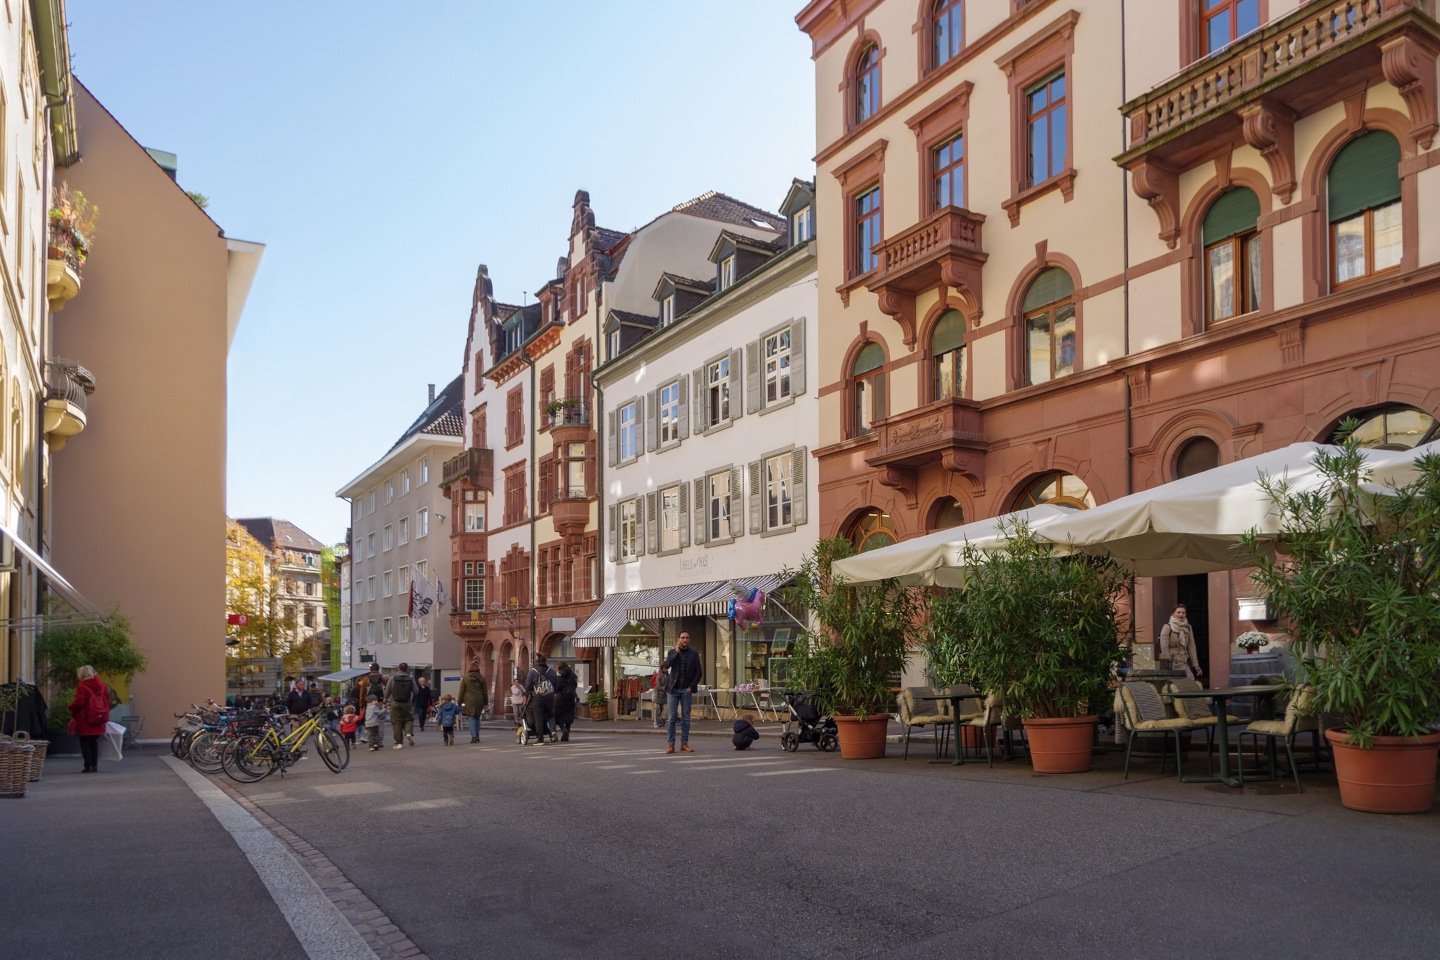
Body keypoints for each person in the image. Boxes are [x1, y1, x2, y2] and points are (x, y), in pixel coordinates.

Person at [662, 632, 703, 754]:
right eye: (682, 638)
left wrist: (692, 686)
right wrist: (675, 651)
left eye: (686, 638)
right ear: (678, 639)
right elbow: (666, 666)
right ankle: (670, 745)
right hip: (673, 690)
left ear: (689, 640)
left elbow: (699, 672)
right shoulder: (672, 653)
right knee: (672, 718)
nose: (684, 640)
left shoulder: (694, 654)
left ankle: (684, 744)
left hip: (686, 690)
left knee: (686, 718)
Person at [68, 665, 111, 773]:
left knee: (85, 742)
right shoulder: (102, 686)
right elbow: (107, 700)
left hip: (85, 718)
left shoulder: (82, 686)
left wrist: (70, 707)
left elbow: (79, 702)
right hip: (98, 717)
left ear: (82, 674)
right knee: (94, 742)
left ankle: (88, 766)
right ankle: (95, 765)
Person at [1159, 604, 1203, 680]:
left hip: (1184, 661)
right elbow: (1164, 648)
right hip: (1173, 662)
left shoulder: (1188, 627)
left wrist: (1196, 665)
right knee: (1178, 686)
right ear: (1173, 614)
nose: (1181, 614)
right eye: (1178, 612)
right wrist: (1167, 663)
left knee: (1191, 682)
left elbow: (1191, 647)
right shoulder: (1167, 627)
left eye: (1183, 612)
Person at [524, 654, 558, 744]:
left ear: (537, 662)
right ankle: (553, 732)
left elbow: (527, 686)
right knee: (551, 716)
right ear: (545, 662)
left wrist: (531, 692)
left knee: (538, 718)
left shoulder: (533, 672)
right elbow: (556, 685)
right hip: (550, 697)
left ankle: (540, 738)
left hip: (538, 698)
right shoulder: (552, 671)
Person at [387, 662, 417, 748]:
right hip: (407, 703)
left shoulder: (392, 678)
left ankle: (398, 742)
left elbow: (387, 691)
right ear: (407, 669)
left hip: (395, 703)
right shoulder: (410, 678)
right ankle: (408, 733)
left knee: (396, 722)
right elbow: (416, 691)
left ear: (398, 668)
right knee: (408, 719)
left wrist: (385, 700)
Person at [458, 661, 489, 743]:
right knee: (477, 718)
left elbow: (461, 692)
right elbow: (485, 692)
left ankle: (474, 736)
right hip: (479, 700)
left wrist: (459, 702)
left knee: (471, 718)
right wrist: (486, 703)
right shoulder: (482, 678)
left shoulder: (465, 678)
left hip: (469, 701)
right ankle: (477, 735)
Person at [553, 661, 578, 742]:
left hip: (561, 698)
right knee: (569, 716)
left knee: (557, 715)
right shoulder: (572, 675)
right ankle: (566, 735)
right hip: (571, 698)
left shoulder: (559, 675)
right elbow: (575, 685)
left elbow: (557, 687)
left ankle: (563, 729)